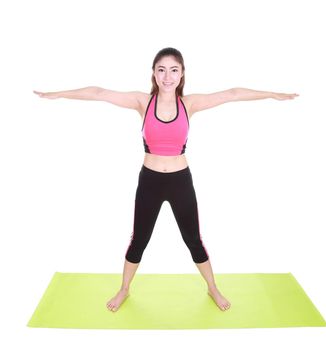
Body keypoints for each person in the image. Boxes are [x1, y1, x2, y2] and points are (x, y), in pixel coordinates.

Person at [34, 47, 298, 313]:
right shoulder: (142, 102)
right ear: (154, 74)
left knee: (193, 239)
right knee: (139, 239)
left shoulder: (189, 104)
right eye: (162, 70)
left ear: (182, 74)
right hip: (149, 181)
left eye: (174, 70)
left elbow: (233, 94)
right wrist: (58, 94)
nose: (167, 76)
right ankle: (124, 289)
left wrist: (273, 95)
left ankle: (212, 287)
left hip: (180, 181)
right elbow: (99, 93)